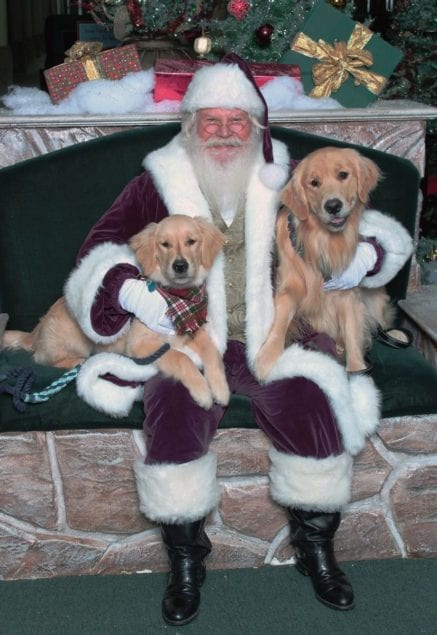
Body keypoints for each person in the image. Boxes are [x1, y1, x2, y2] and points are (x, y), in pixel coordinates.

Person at [64, 54, 413, 625]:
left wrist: (365, 259)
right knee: (171, 408)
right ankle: (185, 559)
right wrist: (131, 294)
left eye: (237, 121)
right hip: (188, 341)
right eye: (211, 121)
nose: (224, 133)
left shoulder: (284, 175)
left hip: (280, 335)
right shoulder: (154, 183)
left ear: (255, 126)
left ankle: (316, 548)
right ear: (191, 124)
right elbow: (97, 251)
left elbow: (353, 216)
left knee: (312, 402)